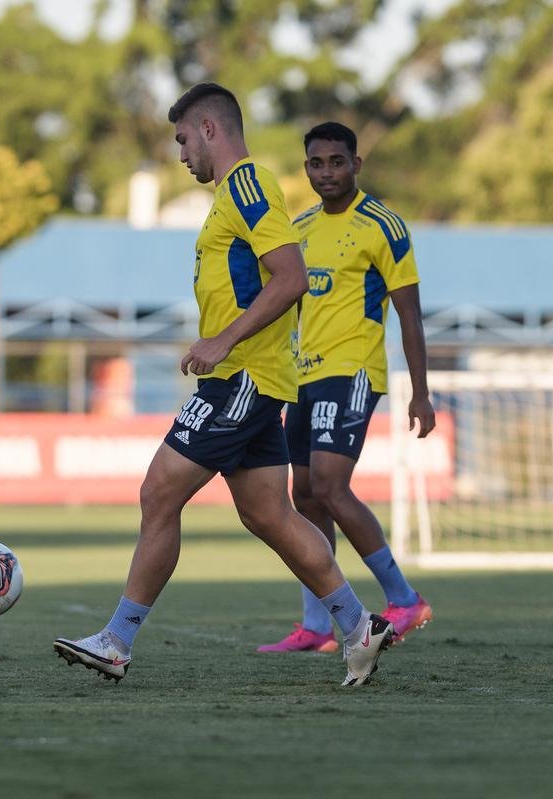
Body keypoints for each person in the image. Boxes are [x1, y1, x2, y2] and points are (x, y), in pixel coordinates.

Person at [52, 83, 394, 686]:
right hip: (256, 379)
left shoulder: (247, 184)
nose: (181, 154)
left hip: (242, 378)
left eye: (183, 139)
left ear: (209, 130)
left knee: (159, 492)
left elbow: (291, 278)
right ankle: (358, 623)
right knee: (269, 515)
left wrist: (223, 341)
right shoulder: (234, 195)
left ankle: (116, 640)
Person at [256, 122, 435, 653]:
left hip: (353, 371)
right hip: (303, 376)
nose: (326, 172)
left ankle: (404, 599)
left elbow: (411, 315)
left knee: (332, 487)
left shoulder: (384, 225)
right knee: (304, 496)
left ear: (356, 164)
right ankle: (316, 627)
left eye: (336, 162)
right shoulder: (301, 228)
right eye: (316, 163)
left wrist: (420, 391)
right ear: (305, 168)